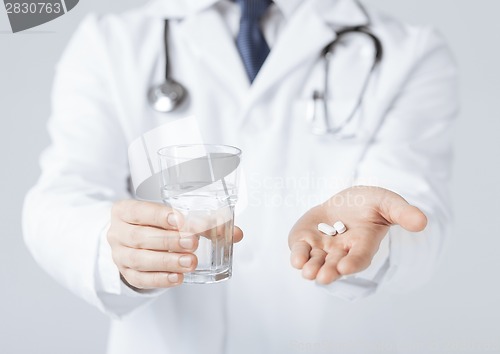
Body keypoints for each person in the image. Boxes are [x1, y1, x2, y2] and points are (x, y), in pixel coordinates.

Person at [23, 0, 458, 353]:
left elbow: (417, 221)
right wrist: (116, 247)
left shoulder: (409, 52)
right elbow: (63, 194)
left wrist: (376, 239)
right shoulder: (111, 42)